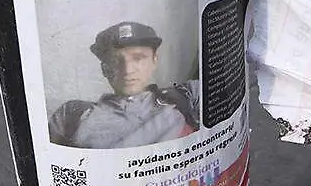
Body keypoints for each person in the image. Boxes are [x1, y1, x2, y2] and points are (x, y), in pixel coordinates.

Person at [48, 21, 199, 149]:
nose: (127, 70)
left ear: (154, 60)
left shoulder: (184, 98)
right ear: (104, 69)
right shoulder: (73, 114)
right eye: (115, 61)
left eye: (138, 58)